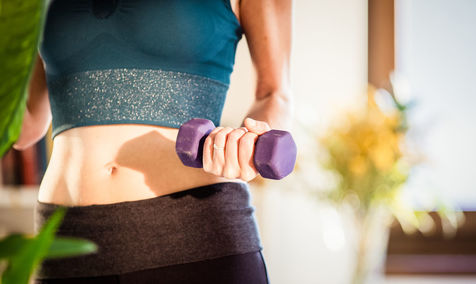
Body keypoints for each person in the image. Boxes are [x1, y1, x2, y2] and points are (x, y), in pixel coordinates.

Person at [14, 0, 293, 283]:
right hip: (65, 241)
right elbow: (25, 125)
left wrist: (250, 140)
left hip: (192, 241)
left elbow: (274, 95)